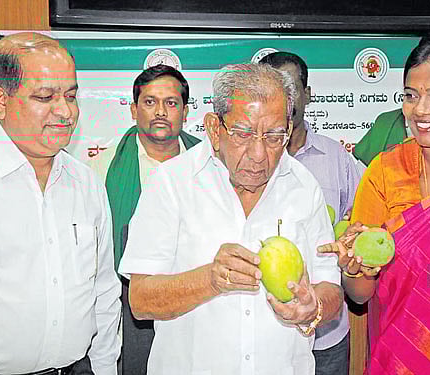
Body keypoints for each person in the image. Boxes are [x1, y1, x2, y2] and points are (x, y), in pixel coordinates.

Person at [118, 63, 344, 374]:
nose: (258, 153)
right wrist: (209, 279)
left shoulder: (303, 187)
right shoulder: (171, 183)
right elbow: (140, 301)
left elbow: (331, 287)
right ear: (214, 129)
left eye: (274, 136)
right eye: (243, 133)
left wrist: (313, 307)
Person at [319, 29, 430, 374]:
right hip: (402, 359)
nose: (420, 110)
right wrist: (353, 268)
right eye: (411, 95)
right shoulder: (385, 173)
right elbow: (359, 294)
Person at [0, 32, 121, 374]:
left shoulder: (87, 183)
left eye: (71, 95)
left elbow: (104, 290)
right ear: (0, 101)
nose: (64, 111)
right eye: (45, 96)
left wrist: (106, 368)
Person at [89, 64, 200, 374]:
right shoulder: (102, 168)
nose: (161, 111)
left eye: (171, 102)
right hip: (128, 306)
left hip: (199, 298)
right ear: (133, 110)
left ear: (185, 111)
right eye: (150, 102)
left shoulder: (211, 164)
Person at [259, 51, 362, 375]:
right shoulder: (245, 162)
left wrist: (352, 239)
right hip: (264, 334)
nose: (282, 98)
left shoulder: (336, 158)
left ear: (308, 94)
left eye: (290, 88)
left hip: (327, 335)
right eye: (271, 88)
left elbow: (364, 222)